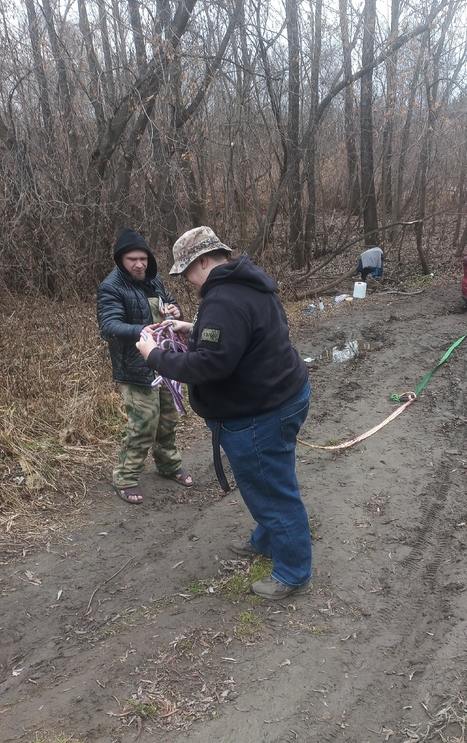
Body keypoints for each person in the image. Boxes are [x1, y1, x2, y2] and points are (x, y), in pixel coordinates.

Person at [135, 226, 312, 602]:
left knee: (272, 490)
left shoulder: (223, 299)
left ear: (202, 262)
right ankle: (268, 538)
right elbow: (238, 336)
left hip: (260, 413)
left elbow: (209, 367)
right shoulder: (249, 283)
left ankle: (293, 571)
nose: (186, 281)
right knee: (269, 480)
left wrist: (154, 355)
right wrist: (193, 328)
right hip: (284, 395)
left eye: (186, 272)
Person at [97, 227, 193, 504]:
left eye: (143, 258)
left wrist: (175, 312)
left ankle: (168, 464)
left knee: (168, 418)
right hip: (135, 367)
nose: (139, 264)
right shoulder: (111, 287)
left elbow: (170, 305)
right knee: (143, 424)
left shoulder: (154, 280)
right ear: (121, 260)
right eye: (132, 260)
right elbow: (109, 327)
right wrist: (144, 330)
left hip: (164, 362)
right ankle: (125, 478)